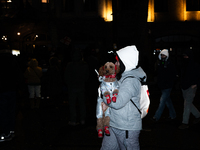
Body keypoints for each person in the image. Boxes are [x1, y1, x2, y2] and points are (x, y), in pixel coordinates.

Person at [100, 45, 147, 150]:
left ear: (125, 62)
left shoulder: (131, 80)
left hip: (126, 127)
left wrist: (104, 92)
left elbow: (116, 102)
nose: (115, 64)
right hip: (114, 123)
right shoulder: (123, 76)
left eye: (117, 61)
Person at [0, 43, 23, 142]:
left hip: (1, 89)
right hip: (12, 89)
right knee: (11, 111)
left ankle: (4, 132)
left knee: (2, 111)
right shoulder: (14, 61)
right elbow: (18, 76)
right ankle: (10, 131)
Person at [64, 49, 89, 125]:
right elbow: (87, 77)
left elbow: (66, 76)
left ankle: (73, 120)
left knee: (72, 104)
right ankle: (82, 119)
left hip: (72, 87)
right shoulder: (84, 65)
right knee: (82, 104)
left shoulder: (70, 65)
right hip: (81, 86)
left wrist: (68, 84)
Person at [152, 49, 177, 122]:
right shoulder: (160, 63)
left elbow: (173, 74)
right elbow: (158, 74)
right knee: (168, 102)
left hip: (167, 86)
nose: (163, 56)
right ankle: (173, 115)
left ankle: (156, 117)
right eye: (162, 55)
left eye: (164, 55)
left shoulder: (170, 64)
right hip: (162, 86)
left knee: (162, 102)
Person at [178, 50, 200, 129]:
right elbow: (182, 75)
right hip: (184, 87)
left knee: (187, 104)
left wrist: (196, 84)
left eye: (186, 56)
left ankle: (185, 122)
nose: (185, 57)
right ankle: (198, 115)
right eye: (184, 56)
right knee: (188, 103)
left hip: (191, 87)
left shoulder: (195, 65)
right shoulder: (183, 64)